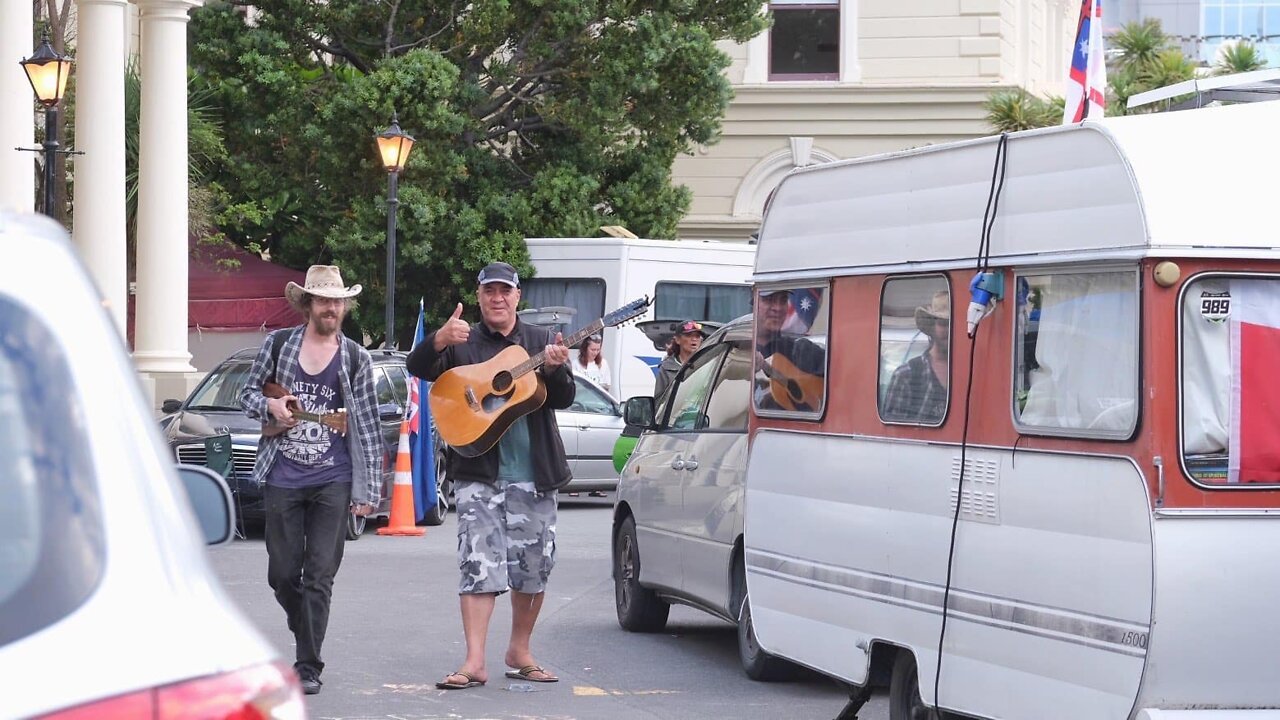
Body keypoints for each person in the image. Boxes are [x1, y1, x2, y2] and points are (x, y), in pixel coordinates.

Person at [406, 261, 575, 690]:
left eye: (505, 291)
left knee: (533, 567)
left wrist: (555, 369)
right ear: (478, 296)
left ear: (518, 296)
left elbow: (564, 398)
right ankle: (474, 661)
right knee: (477, 564)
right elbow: (419, 367)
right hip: (478, 473)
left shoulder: (540, 341)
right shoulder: (462, 339)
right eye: (489, 291)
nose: (497, 298)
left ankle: (520, 651)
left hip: (533, 474)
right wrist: (438, 339)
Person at [238, 265, 383, 696]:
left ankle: (308, 664)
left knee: (319, 575)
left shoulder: (356, 357)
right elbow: (247, 394)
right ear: (308, 304)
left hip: (333, 480)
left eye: (337, 301)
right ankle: (305, 629)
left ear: (344, 306)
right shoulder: (278, 345)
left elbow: (370, 427)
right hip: (282, 474)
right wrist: (273, 407)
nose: (331, 308)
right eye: (323, 300)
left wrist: (367, 490)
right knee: (283, 575)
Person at [882, 291, 950, 423]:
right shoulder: (906, 375)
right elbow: (894, 434)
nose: (949, 330)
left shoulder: (967, 372)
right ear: (932, 327)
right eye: (943, 323)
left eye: (952, 323)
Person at [654, 319, 706, 399]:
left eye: (697, 336)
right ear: (678, 340)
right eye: (689, 335)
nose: (694, 339)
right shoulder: (666, 368)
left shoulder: (708, 364)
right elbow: (659, 401)